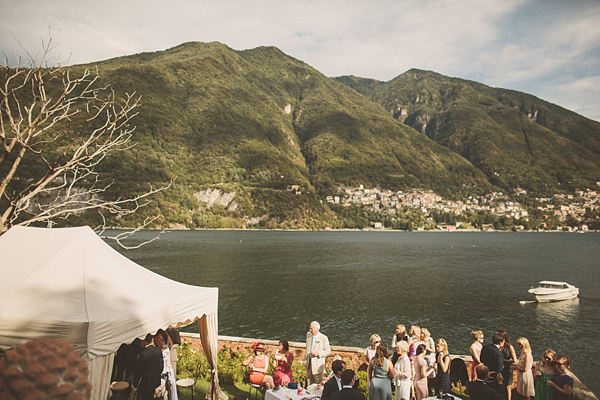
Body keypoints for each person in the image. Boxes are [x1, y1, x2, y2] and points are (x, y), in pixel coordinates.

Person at [134, 334, 163, 400]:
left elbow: (139, 371)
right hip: (156, 380)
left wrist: (135, 386)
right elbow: (161, 366)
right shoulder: (158, 351)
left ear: (143, 341)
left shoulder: (143, 354)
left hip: (146, 383)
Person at [155, 331, 178, 400]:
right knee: (171, 386)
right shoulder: (166, 344)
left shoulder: (158, 338)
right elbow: (171, 345)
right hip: (168, 367)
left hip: (164, 367)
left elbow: (166, 346)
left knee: (162, 386)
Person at [498, 330, 518, 399]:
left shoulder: (509, 347)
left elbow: (514, 360)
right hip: (500, 367)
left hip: (508, 368)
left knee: (508, 386)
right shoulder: (498, 346)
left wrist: (504, 360)